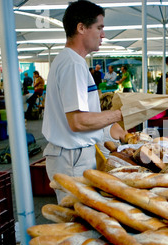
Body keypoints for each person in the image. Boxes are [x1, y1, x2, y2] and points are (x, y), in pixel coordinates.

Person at [42, 0, 126, 203]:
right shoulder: (72, 64)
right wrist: (122, 114)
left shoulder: (70, 61)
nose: (103, 34)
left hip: (72, 155)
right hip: (73, 157)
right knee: (79, 219)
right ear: (81, 27)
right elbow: (78, 121)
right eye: (99, 27)